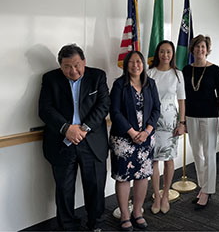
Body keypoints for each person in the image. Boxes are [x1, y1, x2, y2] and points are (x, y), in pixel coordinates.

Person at [38, 44, 110, 231]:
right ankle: (68, 227)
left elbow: (103, 105)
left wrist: (84, 128)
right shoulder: (50, 79)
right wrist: (66, 129)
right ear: (60, 66)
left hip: (92, 141)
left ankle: (96, 225)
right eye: (67, 66)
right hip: (62, 143)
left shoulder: (97, 76)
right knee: (64, 190)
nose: (73, 70)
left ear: (84, 61)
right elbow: (45, 109)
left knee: (95, 187)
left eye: (77, 65)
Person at [109, 51, 160, 231]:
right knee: (123, 177)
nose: (135, 65)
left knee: (142, 176)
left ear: (143, 64)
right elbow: (114, 112)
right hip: (123, 139)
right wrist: (132, 132)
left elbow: (156, 110)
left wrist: (146, 131)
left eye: (138, 61)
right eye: (131, 62)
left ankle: (137, 212)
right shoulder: (119, 85)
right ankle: (124, 214)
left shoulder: (150, 84)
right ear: (126, 65)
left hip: (146, 138)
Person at [182, 34, 219, 210]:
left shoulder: (215, 70)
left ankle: (208, 191)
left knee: (209, 154)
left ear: (207, 50)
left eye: (203, 47)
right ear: (192, 49)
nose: (200, 50)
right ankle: (203, 186)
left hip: (210, 116)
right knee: (197, 154)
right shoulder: (185, 70)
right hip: (191, 116)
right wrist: (182, 120)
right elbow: (182, 97)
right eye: (197, 47)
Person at [147, 40, 186, 215]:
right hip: (152, 122)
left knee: (169, 160)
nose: (165, 55)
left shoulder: (178, 74)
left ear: (172, 54)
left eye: (168, 52)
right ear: (158, 53)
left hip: (170, 123)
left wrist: (182, 123)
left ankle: (165, 195)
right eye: (162, 51)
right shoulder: (150, 73)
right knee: (154, 161)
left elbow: (181, 100)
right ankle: (156, 195)